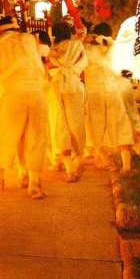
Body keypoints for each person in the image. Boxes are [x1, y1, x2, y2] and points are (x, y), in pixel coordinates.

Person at [0, 16, 48, 199]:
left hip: (13, 94)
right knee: (35, 136)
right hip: (37, 94)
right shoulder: (31, 40)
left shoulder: (2, 43)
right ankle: (34, 183)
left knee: (4, 135)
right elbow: (43, 60)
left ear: (1, 30)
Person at [84, 23, 134, 174]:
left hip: (94, 92)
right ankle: (126, 166)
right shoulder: (114, 47)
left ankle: (106, 160)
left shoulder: (87, 48)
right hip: (111, 90)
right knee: (120, 124)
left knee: (94, 127)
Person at [47, 22, 88, 183]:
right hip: (74, 85)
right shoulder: (77, 45)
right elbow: (83, 63)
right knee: (76, 123)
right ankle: (79, 158)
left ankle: (69, 167)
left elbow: (47, 65)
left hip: (57, 84)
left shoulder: (53, 50)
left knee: (59, 123)